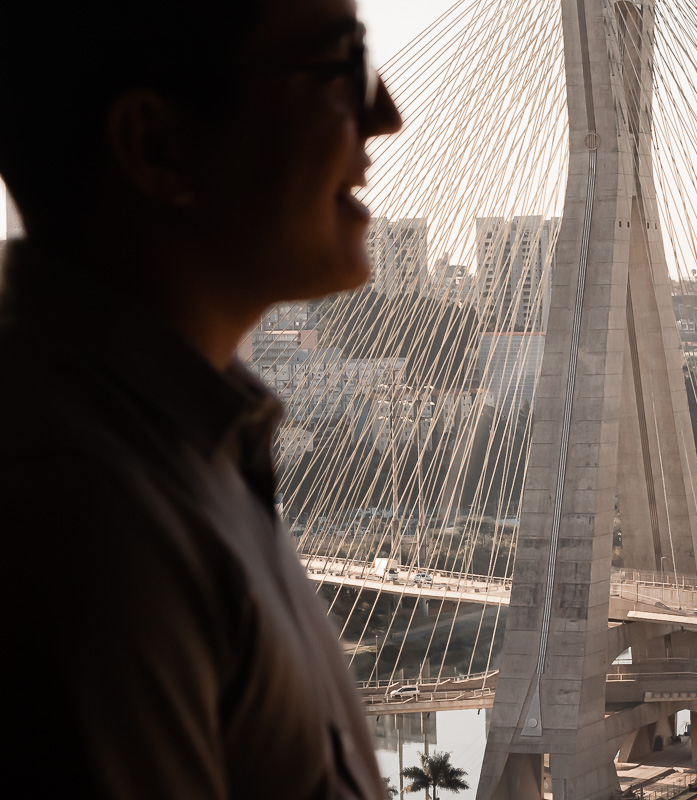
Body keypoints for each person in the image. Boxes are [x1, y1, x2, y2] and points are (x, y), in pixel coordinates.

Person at [0, 1, 401, 798]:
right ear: (160, 146)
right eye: (343, 66)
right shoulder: (89, 514)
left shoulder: (187, 449)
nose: (385, 114)